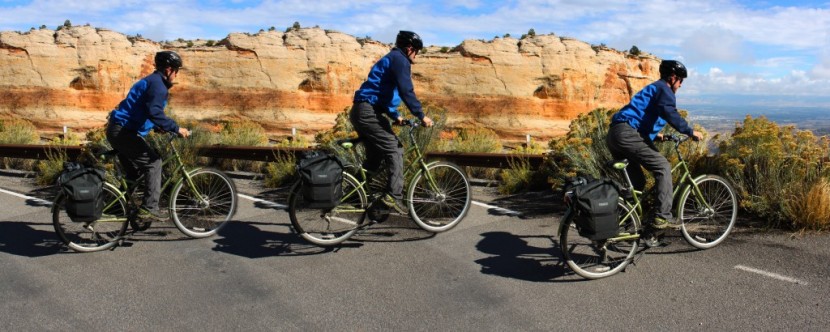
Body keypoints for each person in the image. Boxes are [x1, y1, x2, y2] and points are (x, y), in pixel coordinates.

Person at [606, 59, 703, 230]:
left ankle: (623, 222)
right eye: (681, 81)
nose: (681, 85)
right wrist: (690, 131)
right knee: (663, 166)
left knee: (637, 183)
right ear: (673, 77)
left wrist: (659, 136)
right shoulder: (664, 89)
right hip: (627, 134)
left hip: (616, 134)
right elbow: (669, 113)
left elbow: (639, 116)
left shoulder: (654, 89)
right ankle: (662, 217)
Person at [350, 30, 434, 213]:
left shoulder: (393, 58)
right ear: (410, 48)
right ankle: (394, 197)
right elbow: (406, 91)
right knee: (395, 149)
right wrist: (421, 115)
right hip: (368, 113)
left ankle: (355, 194)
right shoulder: (400, 59)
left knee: (376, 156)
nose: (416, 55)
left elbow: (381, 93)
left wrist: (396, 116)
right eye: (417, 51)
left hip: (363, 111)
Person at [106, 50, 190, 219]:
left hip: (118, 130)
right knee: (154, 163)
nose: (176, 74)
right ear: (168, 69)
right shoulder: (158, 85)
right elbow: (154, 111)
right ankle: (149, 208)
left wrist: (156, 127)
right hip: (123, 132)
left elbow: (141, 110)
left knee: (134, 173)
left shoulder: (151, 82)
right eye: (176, 70)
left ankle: (114, 207)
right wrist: (176, 128)